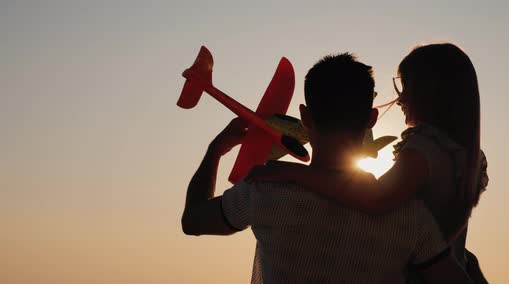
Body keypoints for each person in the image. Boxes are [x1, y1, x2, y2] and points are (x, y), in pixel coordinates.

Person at [181, 53, 472, 283]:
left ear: (305, 117)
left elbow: (192, 220)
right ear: (371, 119)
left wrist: (216, 150)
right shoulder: (410, 216)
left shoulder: (265, 190)